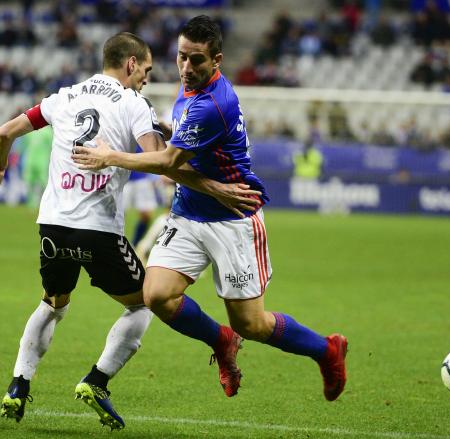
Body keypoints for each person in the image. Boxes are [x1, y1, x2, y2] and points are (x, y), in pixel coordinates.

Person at [0, 31, 261, 430]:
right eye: (144, 70)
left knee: (54, 302)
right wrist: (216, 188)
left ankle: (18, 385)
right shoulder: (133, 103)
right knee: (143, 303)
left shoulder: (64, 96)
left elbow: (4, 133)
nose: (146, 77)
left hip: (52, 226)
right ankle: (97, 380)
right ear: (130, 64)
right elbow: (164, 163)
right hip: (97, 231)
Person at [72, 15, 348, 402]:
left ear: (216, 59)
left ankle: (326, 349)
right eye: (182, 57)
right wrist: (169, 135)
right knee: (157, 295)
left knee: (252, 324)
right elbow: (182, 150)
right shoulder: (191, 89)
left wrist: (110, 157)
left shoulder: (215, 103)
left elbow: (169, 163)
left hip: (233, 220)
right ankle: (221, 341)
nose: (186, 67)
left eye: (196, 60)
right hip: (188, 213)